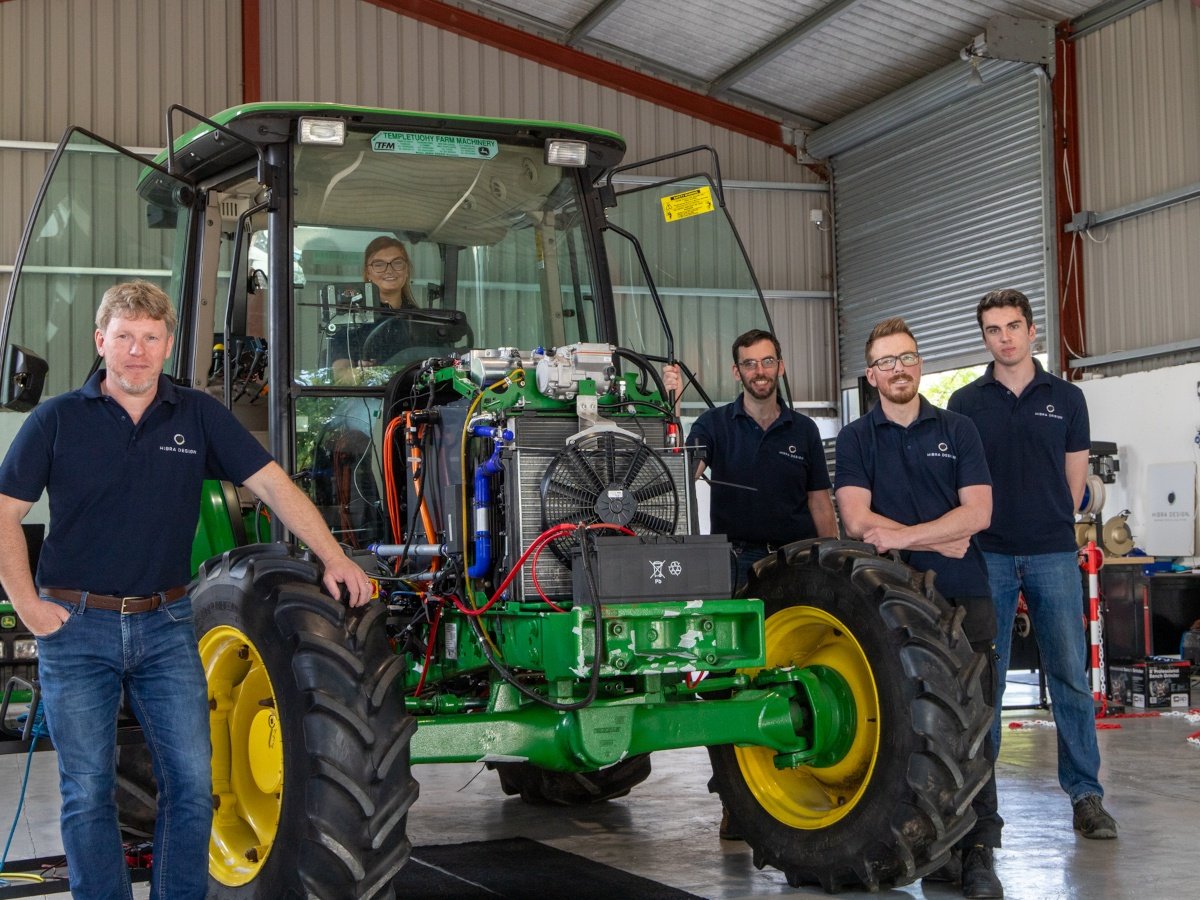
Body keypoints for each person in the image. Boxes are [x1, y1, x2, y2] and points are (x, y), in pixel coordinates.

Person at [0, 281, 375, 900]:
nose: (137, 351)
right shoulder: (58, 419)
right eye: (124, 337)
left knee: (194, 786)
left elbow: (272, 484)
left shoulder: (196, 414)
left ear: (168, 345)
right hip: (76, 625)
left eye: (150, 338)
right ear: (101, 341)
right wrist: (29, 608)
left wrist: (334, 556)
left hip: (166, 625)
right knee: (87, 790)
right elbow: (5, 514)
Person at [834, 317, 1003, 899]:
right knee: (908, 727)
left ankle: (978, 851)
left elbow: (978, 514)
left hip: (963, 591)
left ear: (920, 362)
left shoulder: (959, 429)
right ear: (871, 375)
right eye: (886, 361)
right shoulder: (856, 439)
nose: (898, 369)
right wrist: (936, 537)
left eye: (906, 357)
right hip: (887, 603)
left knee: (977, 727)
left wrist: (904, 538)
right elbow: (856, 520)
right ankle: (934, 846)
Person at [948, 288, 1117, 840]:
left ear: (1032, 330)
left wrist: (1047, 523)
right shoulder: (965, 404)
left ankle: (1086, 795)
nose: (1005, 338)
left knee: (1069, 676)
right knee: (986, 683)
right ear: (984, 337)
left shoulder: (1067, 399)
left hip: (1051, 553)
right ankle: (980, 805)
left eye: (1014, 326)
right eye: (994, 330)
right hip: (988, 555)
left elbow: (1074, 486)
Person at [664, 328, 838, 591]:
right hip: (736, 562)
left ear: (780, 367)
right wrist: (672, 407)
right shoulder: (713, 424)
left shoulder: (804, 429)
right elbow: (685, 473)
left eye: (767, 361)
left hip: (796, 558)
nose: (760, 371)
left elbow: (820, 502)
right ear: (737, 371)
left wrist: (832, 558)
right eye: (749, 364)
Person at [330, 236, 419, 382]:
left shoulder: (423, 321)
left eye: (397, 263)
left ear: (407, 269)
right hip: (370, 395)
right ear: (368, 272)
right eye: (379, 264)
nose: (389, 270)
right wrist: (359, 373)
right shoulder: (350, 321)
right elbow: (340, 375)